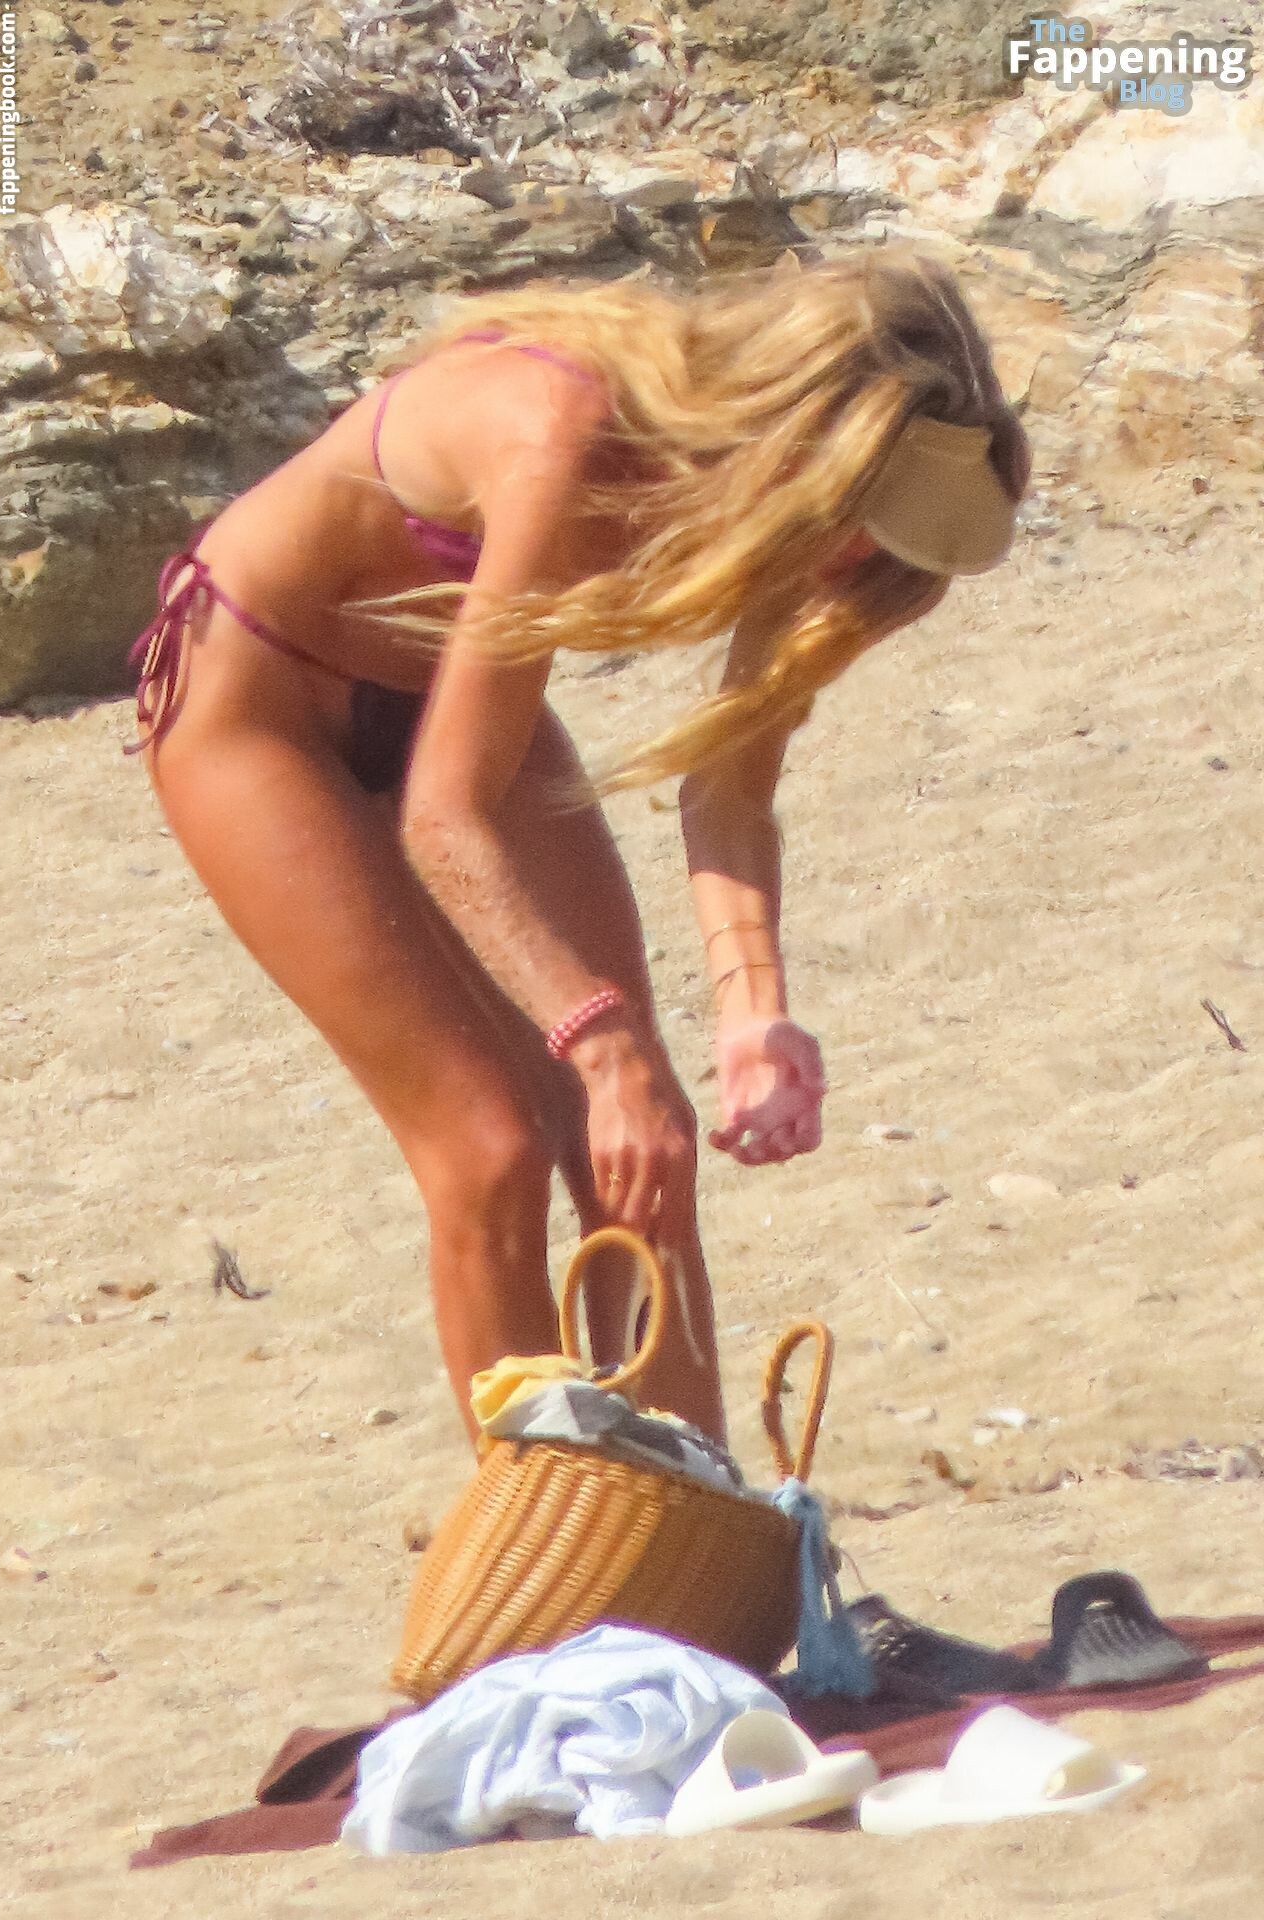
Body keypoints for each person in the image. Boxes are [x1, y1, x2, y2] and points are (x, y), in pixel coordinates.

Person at [127, 250, 1030, 1444]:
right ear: (792, 432)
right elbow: (442, 821)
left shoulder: (804, 521)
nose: (858, 559)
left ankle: (691, 1530)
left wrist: (752, 1015)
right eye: (858, 518)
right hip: (250, 695)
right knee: (486, 1148)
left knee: (647, 1155)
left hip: (446, 704)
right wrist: (602, 1053)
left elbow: (728, 790)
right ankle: (542, 1537)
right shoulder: (561, 431)